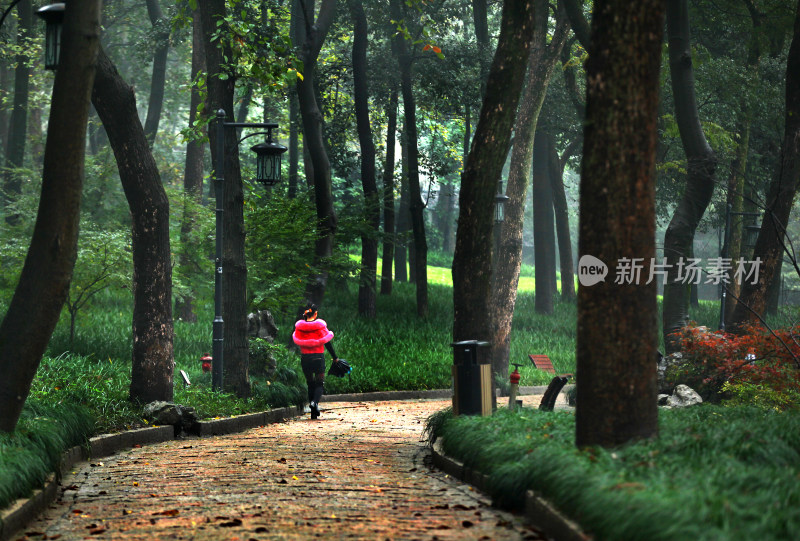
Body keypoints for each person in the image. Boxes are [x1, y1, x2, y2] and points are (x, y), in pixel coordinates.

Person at [292, 303, 338, 419]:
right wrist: (335, 357)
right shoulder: (320, 326)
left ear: (305, 313)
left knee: (310, 383)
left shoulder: (300, 327)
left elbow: (297, 340)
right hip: (318, 357)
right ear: (315, 313)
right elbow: (327, 342)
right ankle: (315, 403)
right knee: (319, 383)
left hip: (305, 359)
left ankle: (313, 413)